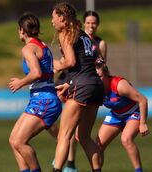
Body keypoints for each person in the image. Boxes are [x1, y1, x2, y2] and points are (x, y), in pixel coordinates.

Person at [50, 2, 104, 172]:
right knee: (84, 137)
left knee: (63, 135)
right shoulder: (84, 35)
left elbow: (71, 61)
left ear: (62, 18)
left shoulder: (65, 33)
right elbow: (99, 60)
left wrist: (58, 65)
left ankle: (57, 169)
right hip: (95, 85)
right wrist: (72, 81)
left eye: (53, 18)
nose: (52, 22)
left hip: (83, 85)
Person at [9, 12, 62, 172]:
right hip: (41, 99)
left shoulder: (28, 49)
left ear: (21, 30)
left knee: (19, 142)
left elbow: (36, 73)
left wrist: (20, 82)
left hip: (44, 100)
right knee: (13, 140)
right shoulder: (42, 45)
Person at [63, 10, 108, 172]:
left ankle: (66, 164)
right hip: (85, 84)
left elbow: (101, 67)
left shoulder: (97, 43)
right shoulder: (82, 39)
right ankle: (71, 162)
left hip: (83, 85)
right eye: (88, 22)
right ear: (83, 23)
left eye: (94, 23)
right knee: (78, 134)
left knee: (67, 133)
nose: (91, 25)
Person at [95, 59, 149, 172]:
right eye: (94, 77)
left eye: (99, 76)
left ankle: (139, 170)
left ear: (105, 74)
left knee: (126, 139)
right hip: (116, 114)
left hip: (133, 112)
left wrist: (143, 123)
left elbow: (143, 100)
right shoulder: (94, 89)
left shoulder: (119, 85)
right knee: (97, 146)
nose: (97, 80)